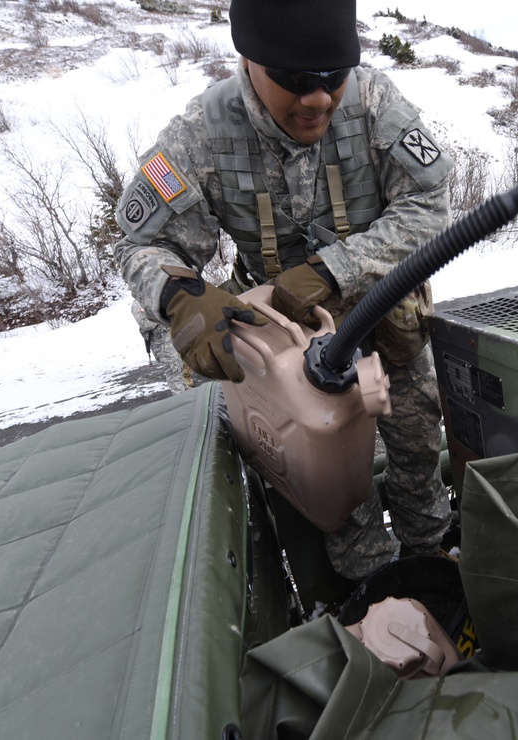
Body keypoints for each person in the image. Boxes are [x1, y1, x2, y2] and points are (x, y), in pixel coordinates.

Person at [113, 0, 455, 580]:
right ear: (249, 60)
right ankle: (370, 586)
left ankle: (431, 561)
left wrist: (333, 269)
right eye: (296, 81)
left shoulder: (374, 102)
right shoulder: (202, 135)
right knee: (333, 481)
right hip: (290, 345)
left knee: (420, 446)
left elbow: (431, 205)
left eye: (333, 78)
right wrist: (179, 297)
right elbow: (140, 245)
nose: (318, 99)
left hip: (385, 324)